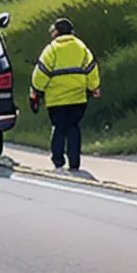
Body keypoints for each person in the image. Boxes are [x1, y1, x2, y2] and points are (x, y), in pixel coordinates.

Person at [29, 17, 100, 172]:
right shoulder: (81, 47)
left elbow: (41, 73)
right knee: (73, 128)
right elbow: (91, 68)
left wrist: (36, 91)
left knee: (59, 128)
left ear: (57, 32)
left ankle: (58, 161)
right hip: (78, 98)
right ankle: (74, 163)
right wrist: (94, 87)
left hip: (56, 100)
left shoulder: (52, 49)